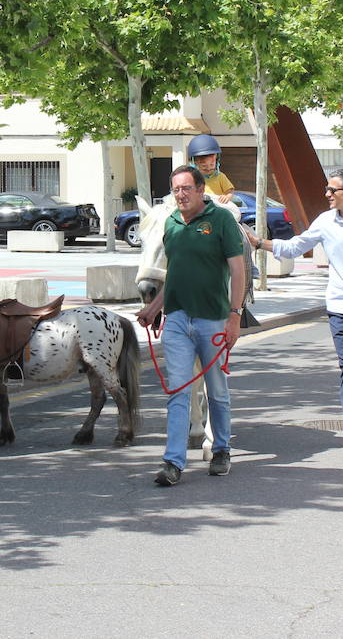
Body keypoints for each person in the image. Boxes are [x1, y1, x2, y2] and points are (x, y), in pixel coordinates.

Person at [248, 170, 343, 458]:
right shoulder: (325, 222)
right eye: (326, 189)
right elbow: (295, 246)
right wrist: (259, 243)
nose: (327, 194)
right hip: (341, 306)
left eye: (332, 190)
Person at [135, 165, 246, 485]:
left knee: (217, 391)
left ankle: (221, 449)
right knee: (178, 391)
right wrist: (153, 308)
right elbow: (175, 274)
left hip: (213, 319)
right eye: (176, 190)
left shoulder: (221, 220)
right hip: (177, 321)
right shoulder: (171, 223)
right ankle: (173, 461)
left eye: (186, 188)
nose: (181, 195)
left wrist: (234, 316)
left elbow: (237, 270)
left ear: (200, 190)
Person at [186, 133, 235, 202]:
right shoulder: (193, 179)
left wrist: (227, 196)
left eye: (212, 165)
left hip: (217, 207)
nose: (208, 168)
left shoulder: (220, 177)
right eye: (204, 166)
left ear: (217, 162)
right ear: (195, 163)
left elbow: (230, 191)